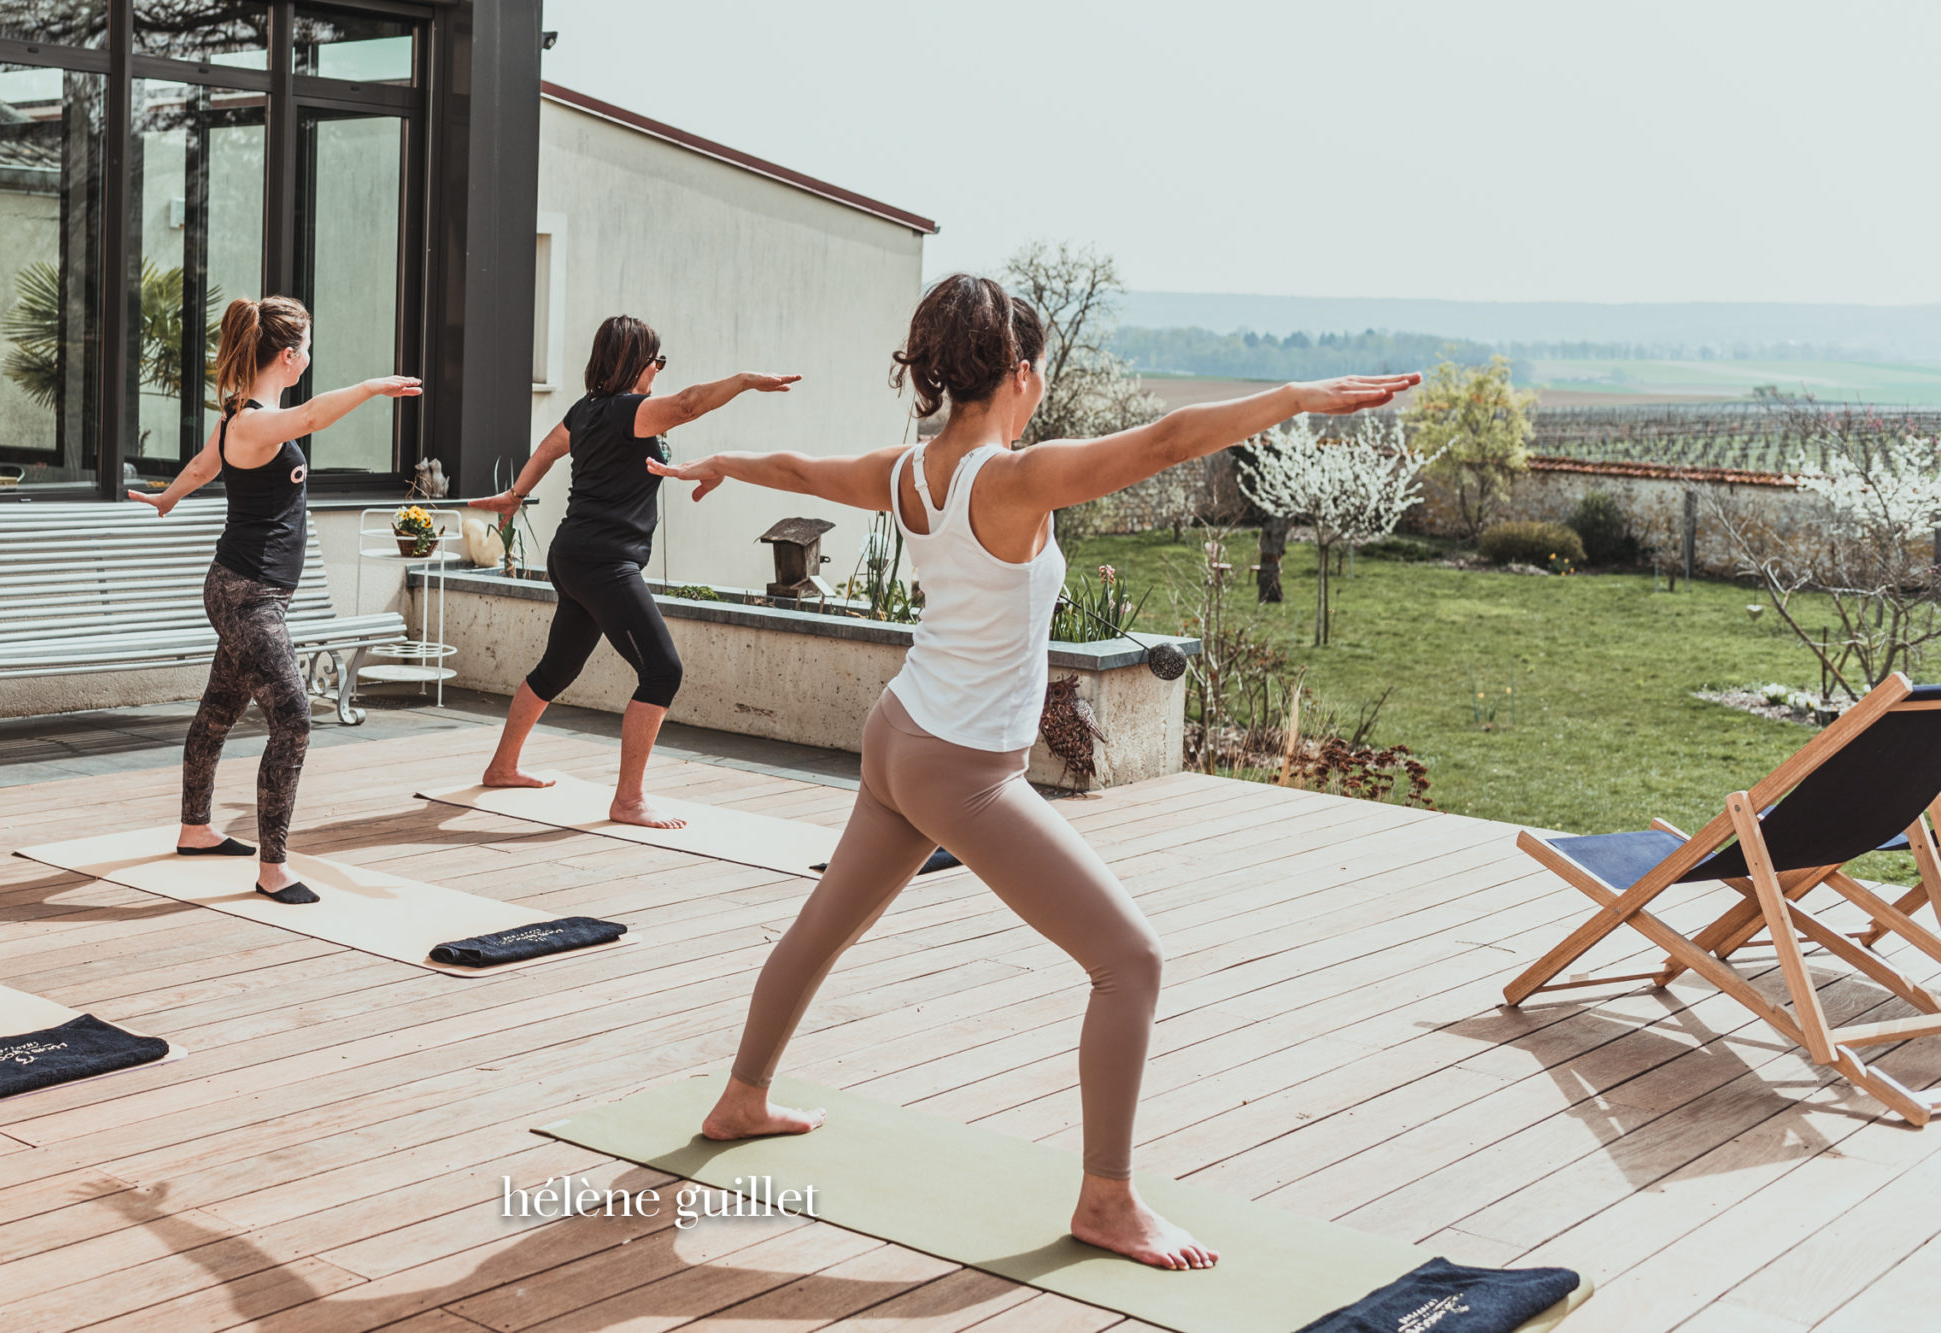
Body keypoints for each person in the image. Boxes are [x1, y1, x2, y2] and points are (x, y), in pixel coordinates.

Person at [648, 272, 1416, 1269]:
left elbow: (803, 469)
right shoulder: (1006, 479)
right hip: (958, 766)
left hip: (900, 731)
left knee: (823, 924)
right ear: (1018, 371)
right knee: (1129, 962)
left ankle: (742, 1094)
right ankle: (1106, 1200)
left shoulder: (909, 471)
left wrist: (728, 462)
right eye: (1039, 368)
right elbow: (1163, 442)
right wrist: (1293, 398)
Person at [133, 295, 419, 903]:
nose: (309, 358)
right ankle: (273, 869)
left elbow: (206, 466)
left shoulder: (240, 418)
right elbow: (313, 417)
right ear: (289, 357)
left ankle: (195, 827)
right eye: (307, 347)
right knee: (292, 718)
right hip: (248, 597)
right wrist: (369, 387)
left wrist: (169, 497)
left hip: (247, 593)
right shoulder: (256, 420)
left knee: (218, 711)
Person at [467, 316, 799, 828]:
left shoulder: (585, 411)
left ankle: (502, 767)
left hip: (572, 552)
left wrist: (515, 496)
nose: (660, 373)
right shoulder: (631, 410)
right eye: (658, 363)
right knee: (663, 671)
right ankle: (628, 801)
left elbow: (548, 451)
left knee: (557, 668)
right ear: (639, 364)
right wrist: (744, 381)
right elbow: (689, 404)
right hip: (605, 562)